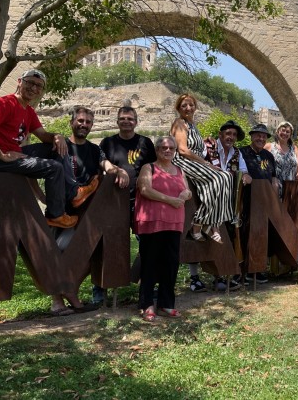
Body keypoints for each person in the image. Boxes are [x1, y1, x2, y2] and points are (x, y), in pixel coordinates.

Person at [49, 106, 130, 315]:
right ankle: (57, 301)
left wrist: (117, 170)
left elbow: (105, 164)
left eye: (88, 122)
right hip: (63, 212)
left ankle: (71, 290)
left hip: (87, 213)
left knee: (88, 254)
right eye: (81, 121)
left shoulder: (94, 150)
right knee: (59, 252)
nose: (84, 125)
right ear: (72, 122)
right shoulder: (60, 145)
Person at [0, 69, 78, 229]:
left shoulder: (28, 111)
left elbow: (44, 136)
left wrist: (57, 136)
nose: (34, 88)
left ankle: (73, 194)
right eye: (30, 83)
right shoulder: (6, 103)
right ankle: (56, 215)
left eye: (39, 86)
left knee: (57, 147)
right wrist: (1, 155)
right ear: (19, 82)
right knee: (54, 168)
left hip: (14, 153)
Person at [96, 106, 156, 305]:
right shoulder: (108, 142)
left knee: (148, 244)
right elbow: (102, 167)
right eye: (122, 118)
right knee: (106, 247)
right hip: (114, 203)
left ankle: (145, 287)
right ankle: (100, 290)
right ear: (117, 121)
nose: (126, 121)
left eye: (130, 118)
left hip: (140, 202)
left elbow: (152, 170)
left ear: (136, 121)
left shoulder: (145, 143)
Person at [134, 136, 192, 321]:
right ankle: (147, 304)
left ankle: (166, 304)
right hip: (153, 222)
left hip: (174, 222)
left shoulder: (179, 170)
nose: (167, 150)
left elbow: (188, 190)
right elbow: (144, 189)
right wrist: (171, 200)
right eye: (163, 147)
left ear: (175, 151)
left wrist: (185, 193)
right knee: (150, 263)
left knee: (171, 264)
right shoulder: (148, 167)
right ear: (157, 150)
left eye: (171, 148)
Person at [170, 93, 235, 245]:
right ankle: (199, 224)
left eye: (191, 105)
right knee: (218, 178)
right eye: (184, 105)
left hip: (196, 161)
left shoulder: (193, 125)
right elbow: (183, 150)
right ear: (178, 108)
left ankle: (213, 223)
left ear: (195, 107)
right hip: (183, 161)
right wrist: (206, 164)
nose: (188, 108)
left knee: (227, 177)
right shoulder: (180, 123)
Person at [211, 119, 252, 291]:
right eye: (228, 133)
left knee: (229, 235)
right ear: (220, 135)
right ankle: (216, 276)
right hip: (211, 201)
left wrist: (246, 176)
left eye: (234, 135)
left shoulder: (237, 153)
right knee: (214, 236)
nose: (231, 137)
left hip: (229, 202)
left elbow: (245, 172)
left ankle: (229, 273)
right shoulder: (210, 148)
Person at [239, 123, 280, 284]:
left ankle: (256, 269)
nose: (260, 138)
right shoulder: (242, 152)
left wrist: (275, 197)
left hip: (264, 203)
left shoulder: (268, 156)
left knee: (261, 235)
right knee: (244, 234)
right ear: (251, 136)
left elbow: (274, 178)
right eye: (257, 135)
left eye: (263, 136)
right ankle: (242, 270)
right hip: (246, 201)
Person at [264, 121, 298, 196]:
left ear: (290, 134)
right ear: (277, 131)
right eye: (283, 130)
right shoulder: (268, 147)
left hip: (290, 188)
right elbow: (261, 163)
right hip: (272, 187)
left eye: (288, 132)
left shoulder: (294, 149)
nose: (285, 133)